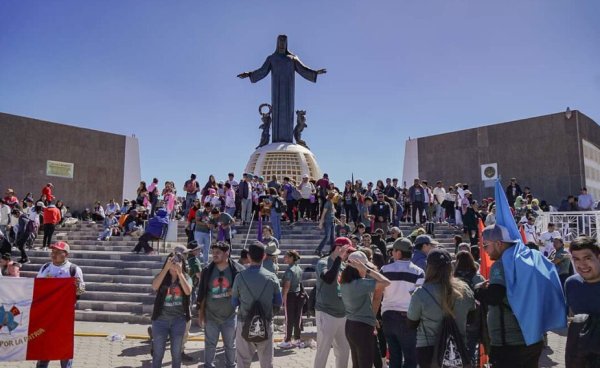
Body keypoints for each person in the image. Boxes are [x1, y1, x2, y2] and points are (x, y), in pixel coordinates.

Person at [475, 224, 544, 367]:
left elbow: (494, 296)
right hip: (533, 339)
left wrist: (478, 291)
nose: (485, 251)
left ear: (499, 244)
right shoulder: (527, 261)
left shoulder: (501, 265)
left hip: (509, 343)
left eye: (485, 245)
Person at [407, 249, 475, 368]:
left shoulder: (420, 293)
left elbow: (411, 324)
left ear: (428, 267)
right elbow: (472, 319)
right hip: (458, 347)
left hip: (428, 349)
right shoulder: (464, 290)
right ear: (450, 267)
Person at [373, 238, 423, 368]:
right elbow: (418, 297)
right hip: (408, 318)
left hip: (388, 317)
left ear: (399, 253)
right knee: (410, 357)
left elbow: (378, 294)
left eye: (393, 251)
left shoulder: (385, 269)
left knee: (394, 357)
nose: (392, 253)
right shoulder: (418, 272)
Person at [231, 241, 282, 368]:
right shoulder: (272, 277)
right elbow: (278, 302)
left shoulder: (239, 277)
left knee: (242, 362)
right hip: (266, 322)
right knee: (266, 363)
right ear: (264, 256)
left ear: (248, 256)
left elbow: (234, 302)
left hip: (244, 322)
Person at [36, 241, 84, 368]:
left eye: (57, 252)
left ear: (66, 254)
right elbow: (37, 288)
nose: (54, 254)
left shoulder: (73, 269)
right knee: (44, 346)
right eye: (53, 251)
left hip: (64, 317)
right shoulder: (45, 267)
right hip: (46, 315)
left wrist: (77, 286)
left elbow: (81, 291)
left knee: (64, 347)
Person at [197, 241, 245, 368]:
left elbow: (246, 292)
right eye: (213, 252)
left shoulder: (238, 270)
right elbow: (202, 294)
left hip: (230, 316)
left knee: (230, 345)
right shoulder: (207, 270)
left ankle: (231, 365)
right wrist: (201, 314)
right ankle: (208, 365)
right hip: (211, 315)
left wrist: (235, 292)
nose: (214, 255)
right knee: (209, 344)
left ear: (227, 253)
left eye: (218, 252)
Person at [341, 250, 391, 368]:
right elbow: (386, 282)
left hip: (350, 325)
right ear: (358, 267)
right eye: (364, 267)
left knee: (357, 364)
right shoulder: (359, 284)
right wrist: (368, 270)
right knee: (365, 364)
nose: (366, 270)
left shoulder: (345, 282)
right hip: (362, 328)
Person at [313, 237, 355, 368]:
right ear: (338, 248)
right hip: (326, 312)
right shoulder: (323, 262)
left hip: (343, 313)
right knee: (323, 351)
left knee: (343, 351)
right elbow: (329, 278)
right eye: (347, 252)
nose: (349, 255)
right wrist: (338, 259)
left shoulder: (343, 264)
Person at [150, 245, 192, 368]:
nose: (174, 265)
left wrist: (180, 274)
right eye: (172, 263)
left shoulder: (186, 277)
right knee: (158, 353)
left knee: (176, 354)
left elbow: (188, 291)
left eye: (177, 263)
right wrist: (166, 268)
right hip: (160, 321)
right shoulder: (162, 276)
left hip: (178, 321)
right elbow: (154, 286)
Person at [564, 236, 600, 367]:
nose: (582, 265)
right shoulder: (571, 284)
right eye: (576, 259)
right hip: (582, 358)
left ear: (598, 257)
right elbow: (575, 317)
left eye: (587, 258)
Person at [453, 250, 486, 367]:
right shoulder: (478, 277)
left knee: (456, 349)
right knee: (471, 348)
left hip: (456, 318)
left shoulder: (452, 279)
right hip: (474, 318)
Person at [278, 250, 305, 349]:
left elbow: (287, 285)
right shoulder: (298, 268)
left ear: (291, 258)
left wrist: (283, 297)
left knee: (289, 318)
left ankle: (287, 340)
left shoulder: (290, 270)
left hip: (290, 296)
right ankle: (297, 340)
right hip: (298, 295)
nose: (284, 258)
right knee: (297, 318)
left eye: (286, 256)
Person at [315, 190, 336, 256]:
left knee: (332, 237)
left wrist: (338, 221)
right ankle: (318, 250)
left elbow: (332, 214)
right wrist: (321, 223)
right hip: (327, 222)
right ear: (333, 197)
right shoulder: (328, 203)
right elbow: (323, 213)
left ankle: (332, 251)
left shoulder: (332, 204)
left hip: (332, 222)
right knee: (327, 236)